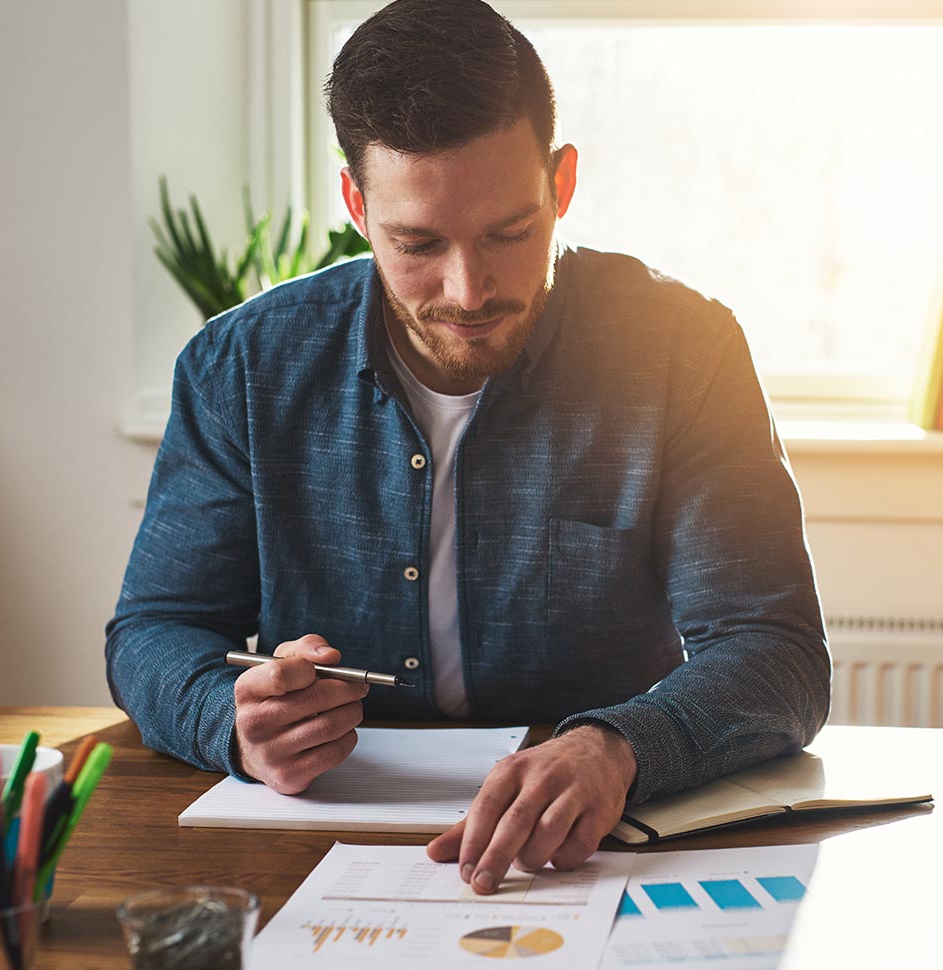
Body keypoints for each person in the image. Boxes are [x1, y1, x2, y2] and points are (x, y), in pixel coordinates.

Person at [106, 0, 829, 896]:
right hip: (320, 859)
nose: (468, 288)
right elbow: (154, 631)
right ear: (356, 204)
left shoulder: (685, 350)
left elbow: (776, 649)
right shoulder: (243, 367)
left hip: (598, 853)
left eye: (509, 234)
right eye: (417, 244)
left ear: (561, 184)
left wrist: (618, 748)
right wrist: (231, 721)